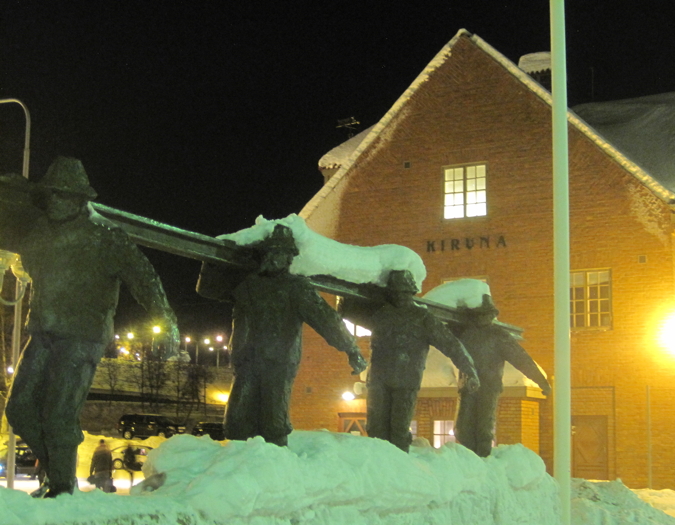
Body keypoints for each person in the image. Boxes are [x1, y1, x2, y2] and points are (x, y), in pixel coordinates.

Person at [2, 157, 179, 497]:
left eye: (63, 195)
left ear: (80, 199)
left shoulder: (106, 237)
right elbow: (15, 247)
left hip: (81, 336)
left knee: (58, 415)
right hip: (42, 332)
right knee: (19, 408)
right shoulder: (38, 233)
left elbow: (144, 278)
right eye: (51, 194)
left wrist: (166, 320)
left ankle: (62, 488)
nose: (55, 201)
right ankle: (58, 474)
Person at [197, 224, 367, 447]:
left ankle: (276, 467)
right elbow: (207, 289)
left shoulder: (296, 288)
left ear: (290, 258)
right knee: (237, 419)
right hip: (246, 360)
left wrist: (351, 348)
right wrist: (214, 257)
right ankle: (239, 466)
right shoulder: (248, 284)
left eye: (281, 253)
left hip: (278, 363)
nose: (275, 258)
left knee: (273, 419)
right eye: (272, 252)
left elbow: (327, 320)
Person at [341, 270, 480, 452]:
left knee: (399, 430)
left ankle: (399, 469)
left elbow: (452, 345)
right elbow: (347, 308)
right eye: (396, 292)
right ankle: (379, 470)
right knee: (376, 429)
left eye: (404, 292)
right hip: (379, 380)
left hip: (406, 382)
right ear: (390, 292)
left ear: (411, 292)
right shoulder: (380, 314)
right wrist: (363, 282)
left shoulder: (423, 319)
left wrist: (469, 370)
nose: (399, 296)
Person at [453, 293, 551, 457]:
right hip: (468, 386)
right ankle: (468, 463)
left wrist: (541, 381)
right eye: (479, 314)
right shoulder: (464, 332)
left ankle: (483, 462)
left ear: (492, 315)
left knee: (484, 428)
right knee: (463, 428)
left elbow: (522, 359)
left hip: (488, 387)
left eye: (486, 314)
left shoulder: (499, 336)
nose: (482, 318)